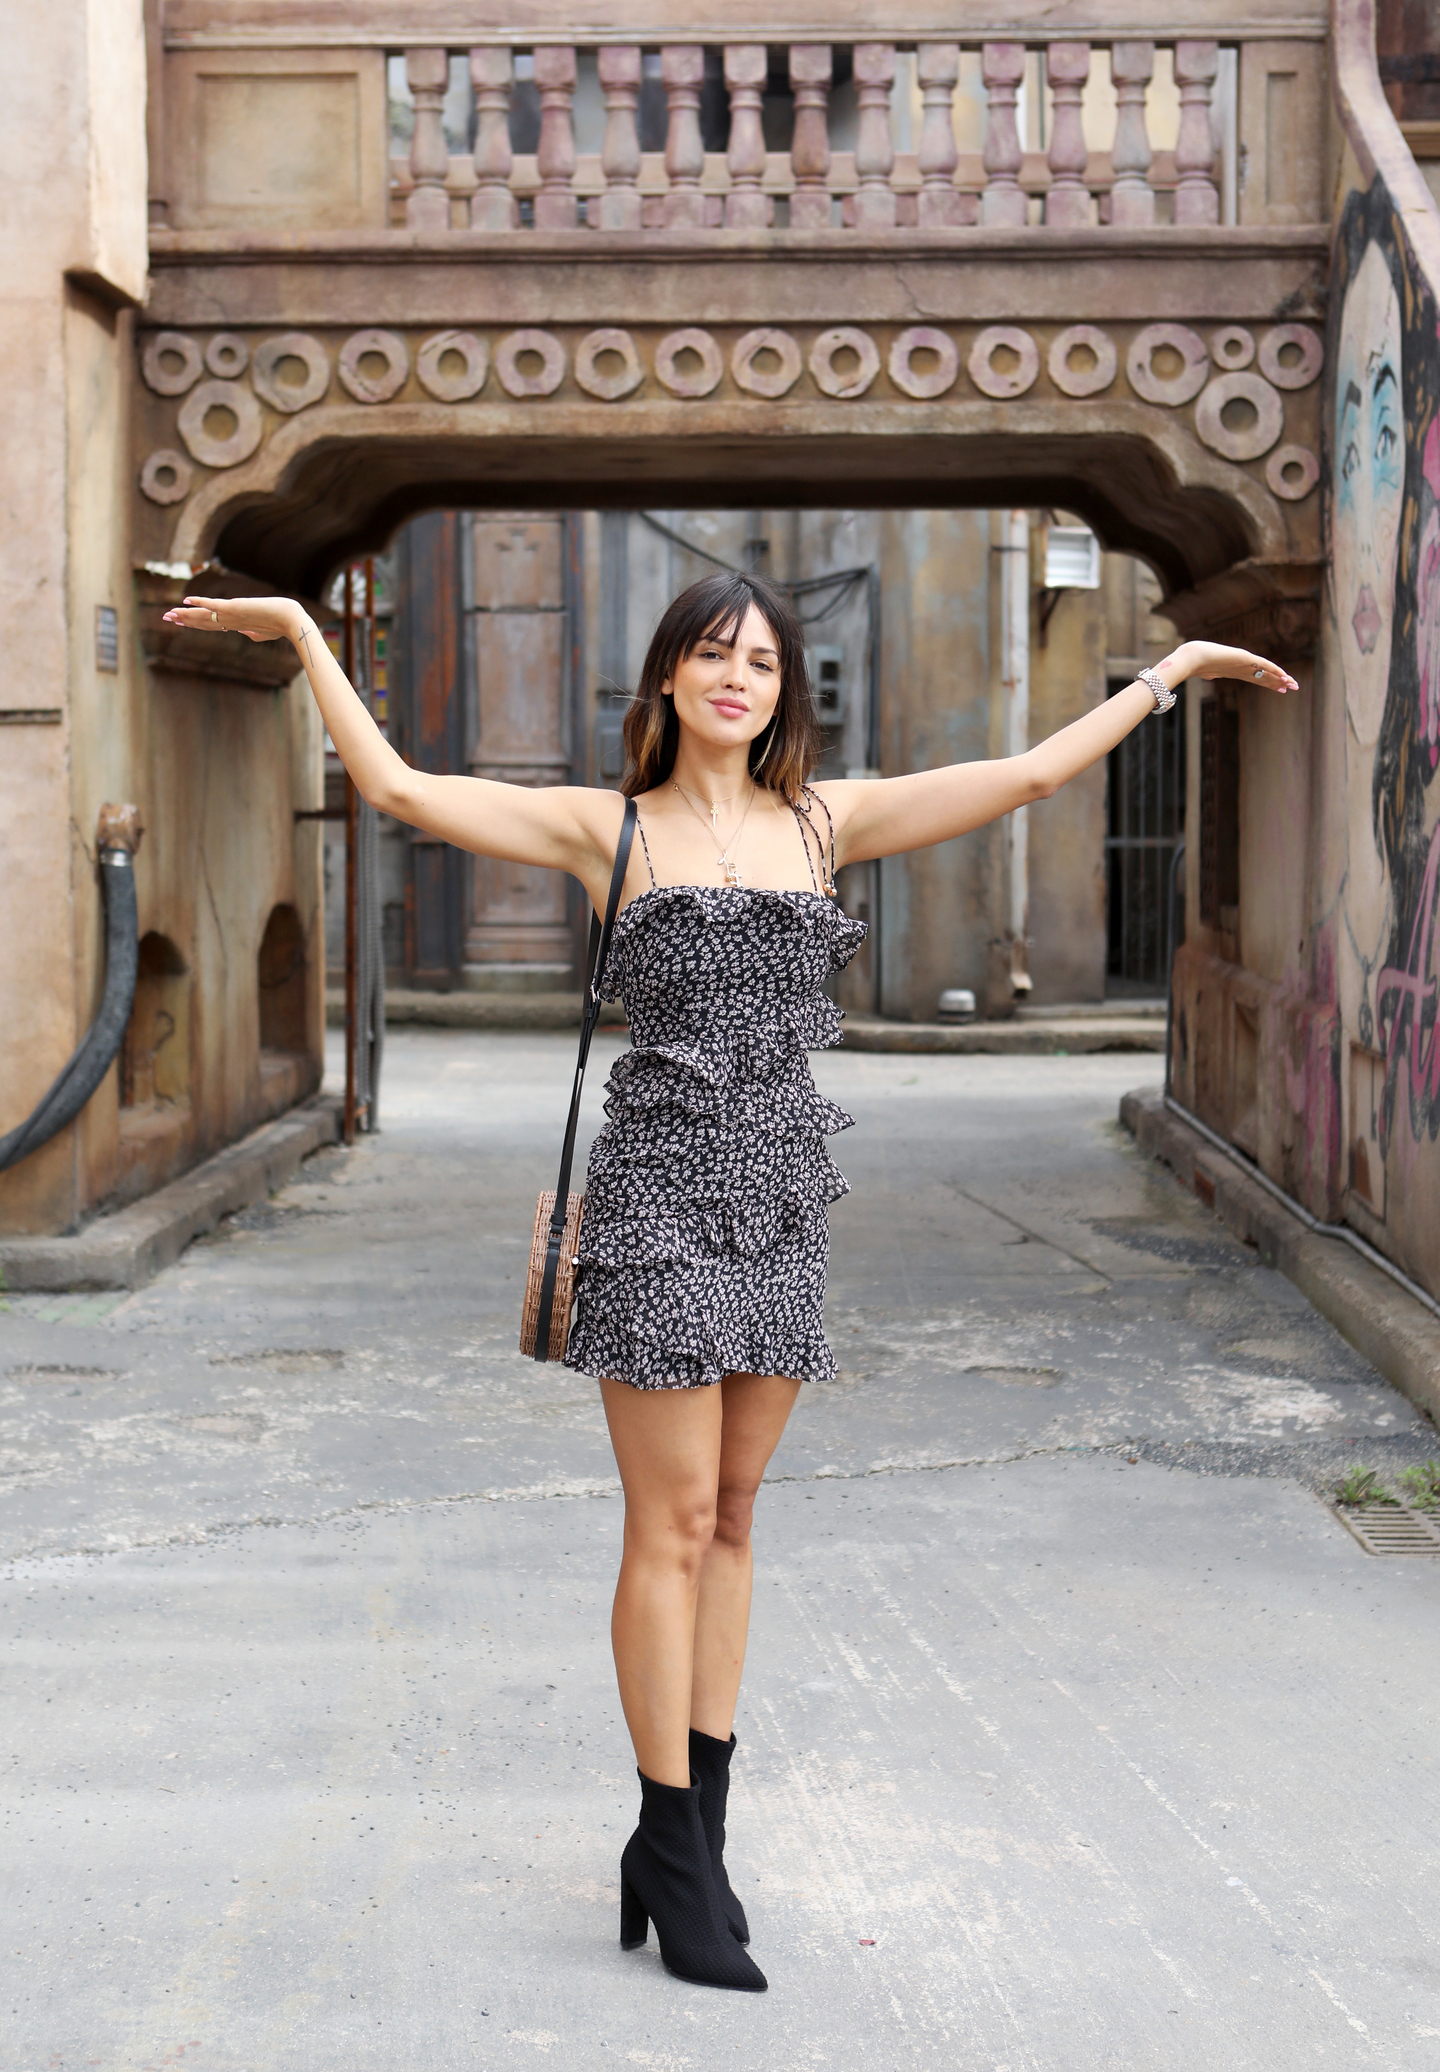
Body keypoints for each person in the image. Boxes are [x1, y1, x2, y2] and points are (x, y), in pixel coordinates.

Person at [166, 568, 1295, 1992]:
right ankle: (667, 1843)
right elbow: (396, 786)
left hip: (783, 1198)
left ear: (782, 694)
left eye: (760, 661)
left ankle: (698, 1834)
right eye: (712, 656)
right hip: (652, 1197)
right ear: (668, 682)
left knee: (742, 1517)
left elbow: (1020, 774)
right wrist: (303, 634)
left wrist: (1169, 670)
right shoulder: (610, 826)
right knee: (674, 1517)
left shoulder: (829, 821)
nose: (737, 679)